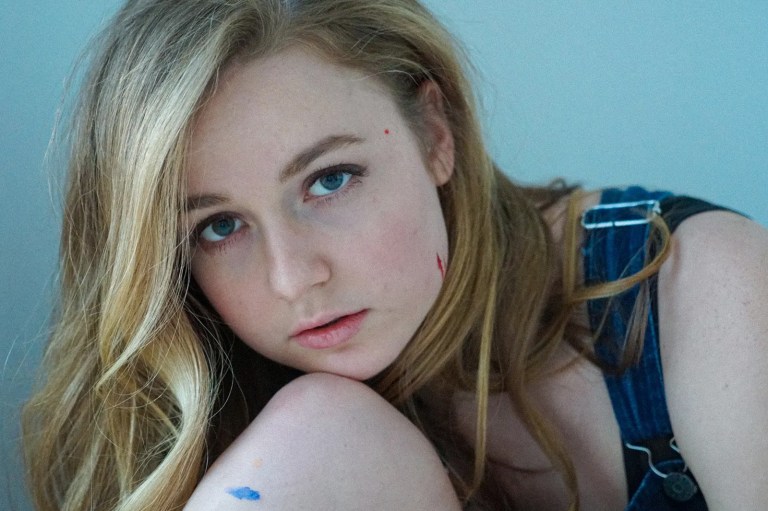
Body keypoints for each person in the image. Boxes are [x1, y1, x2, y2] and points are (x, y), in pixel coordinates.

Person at [21, 0, 768, 510]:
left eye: (329, 180)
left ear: (435, 135)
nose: (293, 278)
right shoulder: (262, 416)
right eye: (220, 227)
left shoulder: (694, 285)